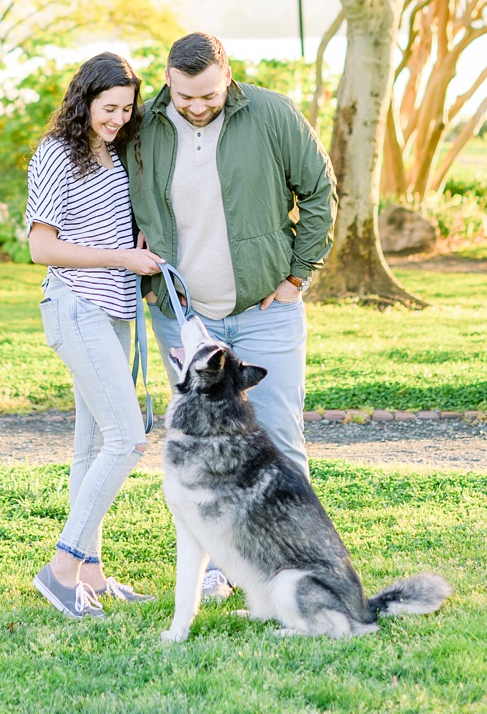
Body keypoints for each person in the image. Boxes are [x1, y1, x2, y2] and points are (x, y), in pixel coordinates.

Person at [129, 31, 334, 596]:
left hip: (264, 312)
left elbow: (319, 191)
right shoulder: (142, 126)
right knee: (204, 453)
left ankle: (303, 569)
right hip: (183, 319)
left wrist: (297, 277)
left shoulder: (271, 114)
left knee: (281, 444)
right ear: (167, 78)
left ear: (228, 76)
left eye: (209, 96)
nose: (197, 107)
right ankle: (225, 568)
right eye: (185, 96)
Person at [22, 51, 162, 617]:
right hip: (77, 308)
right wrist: (123, 259)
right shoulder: (57, 153)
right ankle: (61, 570)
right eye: (109, 108)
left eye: (127, 109)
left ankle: (93, 576)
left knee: (91, 448)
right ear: (85, 101)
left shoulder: (110, 152)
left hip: (113, 312)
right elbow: (41, 247)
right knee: (128, 439)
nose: (119, 118)